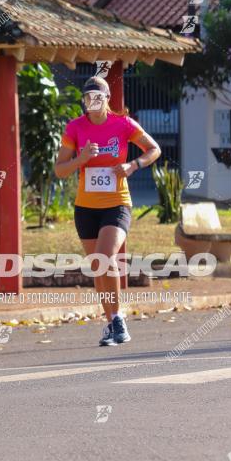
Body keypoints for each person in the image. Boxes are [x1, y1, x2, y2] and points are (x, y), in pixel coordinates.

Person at [54, 76, 161, 346]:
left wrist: (133, 165)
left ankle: (118, 321)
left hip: (117, 204)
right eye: (88, 98)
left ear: (107, 99)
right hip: (85, 208)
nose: (93, 102)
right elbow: (60, 169)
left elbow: (154, 149)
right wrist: (82, 159)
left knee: (105, 257)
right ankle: (111, 322)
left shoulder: (123, 124)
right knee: (98, 267)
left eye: (98, 97)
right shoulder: (75, 128)